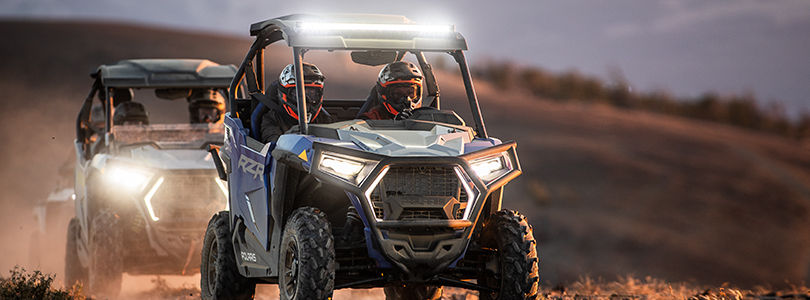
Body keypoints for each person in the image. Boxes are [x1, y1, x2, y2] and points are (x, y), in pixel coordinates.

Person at [258, 63, 329, 143]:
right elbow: (272, 143)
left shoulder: (323, 118)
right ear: (284, 94)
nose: (306, 100)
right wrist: (290, 137)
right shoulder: (271, 119)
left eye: (311, 93)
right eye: (298, 94)